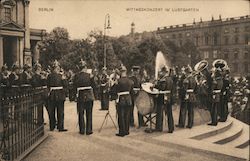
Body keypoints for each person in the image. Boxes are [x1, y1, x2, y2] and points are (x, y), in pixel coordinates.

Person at [73, 59, 95, 135]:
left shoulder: (76, 76)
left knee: (81, 113)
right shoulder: (89, 75)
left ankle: (82, 130)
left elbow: (74, 86)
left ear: (79, 68)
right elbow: (94, 86)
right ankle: (89, 130)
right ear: (85, 67)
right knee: (89, 113)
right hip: (89, 96)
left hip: (80, 96)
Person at [47, 60, 67, 132]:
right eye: (57, 68)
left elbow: (48, 85)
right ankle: (60, 126)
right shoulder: (61, 76)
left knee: (52, 111)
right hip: (60, 94)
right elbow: (65, 85)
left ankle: (52, 126)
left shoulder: (49, 76)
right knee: (60, 111)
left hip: (52, 94)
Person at [114, 65, 133, 137]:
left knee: (121, 116)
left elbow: (114, 90)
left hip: (121, 99)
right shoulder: (130, 81)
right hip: (128, 99)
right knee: (127, 115)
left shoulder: (118, 81)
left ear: (120, 72)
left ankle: (122, 132)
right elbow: (131, 92)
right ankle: (127, 131)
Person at [162, 66, 175, 133]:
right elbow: (173, 89)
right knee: (170, 113)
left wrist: (156, 86)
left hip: (164, 97)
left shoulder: (164, 79)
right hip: (170, 97)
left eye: (162, 72)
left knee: (165, 112)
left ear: (164, 72)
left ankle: (161, 127)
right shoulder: (171, 79)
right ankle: (171, 128)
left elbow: (162, 88)